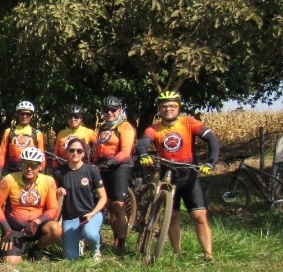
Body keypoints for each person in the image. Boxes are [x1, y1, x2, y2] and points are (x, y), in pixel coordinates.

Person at [136, 90, 219, 261]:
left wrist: (211, 162)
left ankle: (208, 254)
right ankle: (177, 253)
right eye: (164, 106)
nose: (168, 109)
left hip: (189, 174)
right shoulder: (154, 128)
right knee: (172, 217)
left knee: (199, 216)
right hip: (168, 175)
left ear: (178, 107)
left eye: (172, 106)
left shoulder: (189, 123)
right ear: (159, 110)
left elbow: (212, 140)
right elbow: (143, 143)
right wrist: (143, 154)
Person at [0, 147, 62, 264]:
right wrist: (6, 229)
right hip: (14, 228)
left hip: (37, 226)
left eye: (33, 165)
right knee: (11, 262)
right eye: (25, 164)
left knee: (56, 229)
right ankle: (12, 248)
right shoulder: (9, 179)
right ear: (21, 164)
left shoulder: (49, 181)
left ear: (40, 166)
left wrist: (36, 222)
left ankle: (36, 249)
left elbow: (53, 209)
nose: (29, 168)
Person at [91, 95, 136, 254]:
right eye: (106, 110)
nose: (109, 113)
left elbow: (126, 151)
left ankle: (121, 242)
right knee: (108, 204)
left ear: (120, 110)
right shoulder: (103, 128)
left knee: (118, 205)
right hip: (103, 167)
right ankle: (116, 235)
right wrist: (94, 163)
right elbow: (98, 149)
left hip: (119, 167)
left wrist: (111, 162)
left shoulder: (125, 127)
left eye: (113, 110)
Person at [53, 138, 108, 261]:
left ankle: (96, 248)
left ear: (84, 153)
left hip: (90, 214)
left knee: (90, 233)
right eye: (72, 150)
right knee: (70, 257)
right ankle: (79, 241)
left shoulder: (91, 171)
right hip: (70, 217)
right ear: (67, 152)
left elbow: (103, 197)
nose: (75, 153)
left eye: (79, 151)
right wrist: (58, 192)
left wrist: (92, 214)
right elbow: (53, 196)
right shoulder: (59, 172)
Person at [0, 100, 45, 182]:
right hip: (13, 169)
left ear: (32, 115)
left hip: (31, 170)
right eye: (22, 113)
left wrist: (42, 174)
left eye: (28, 114)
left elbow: (42, 155)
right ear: (18, 114)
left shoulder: (37, 133)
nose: (25, 116)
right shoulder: (9, 132)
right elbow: (2, 153)